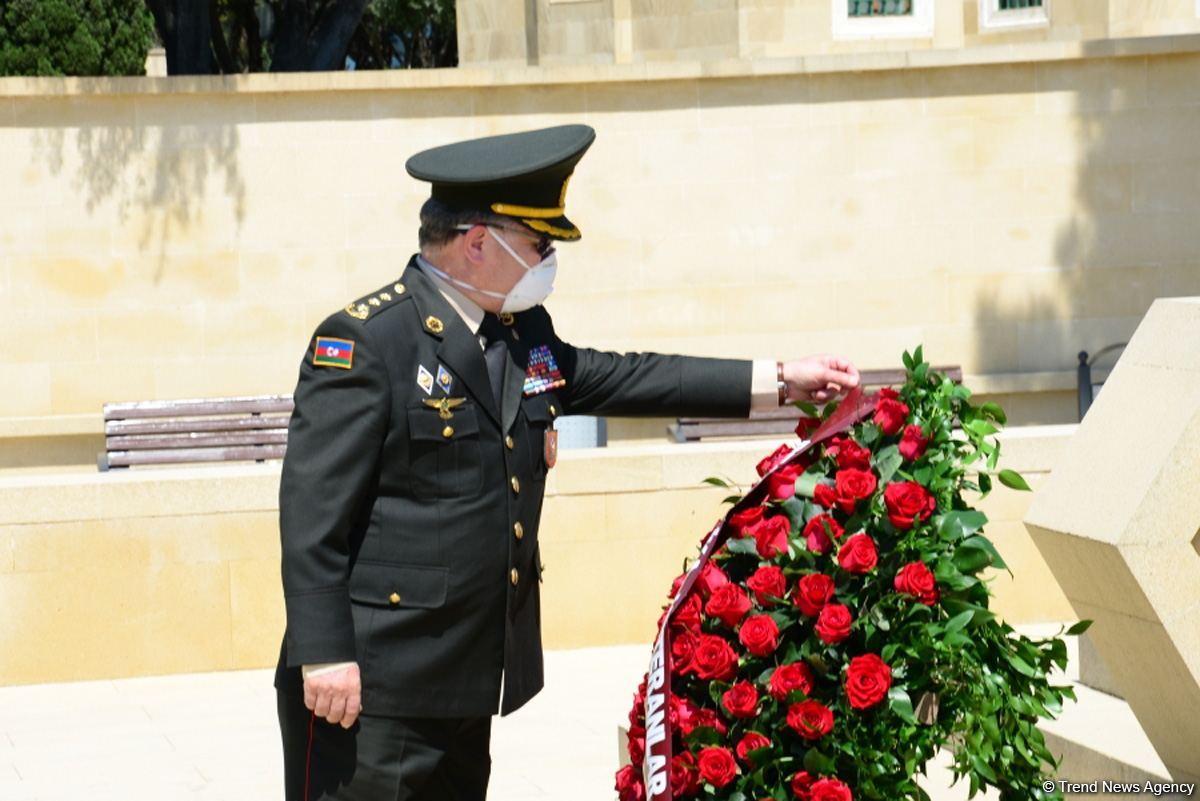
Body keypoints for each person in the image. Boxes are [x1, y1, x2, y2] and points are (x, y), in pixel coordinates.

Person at [275, 124, 860, 800]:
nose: (547, 260)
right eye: (537, 245)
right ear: (477, 244)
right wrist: (325, 653)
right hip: (369, 684)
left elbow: (629, 377)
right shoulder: (367, 339)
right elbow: (313, 511)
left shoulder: (523, 334)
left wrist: (782, 378)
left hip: (465, 676)